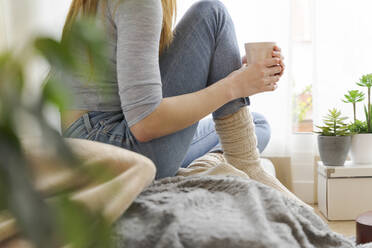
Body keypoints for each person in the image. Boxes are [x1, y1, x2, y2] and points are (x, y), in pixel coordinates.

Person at [62, 0, 284, 185]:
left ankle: (212, 164)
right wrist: (233, 86)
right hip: (112, 148)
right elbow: (145, 122)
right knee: (213, 13)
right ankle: (246, 166)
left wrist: (227, 72)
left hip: (88, 143)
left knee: (258, 124)